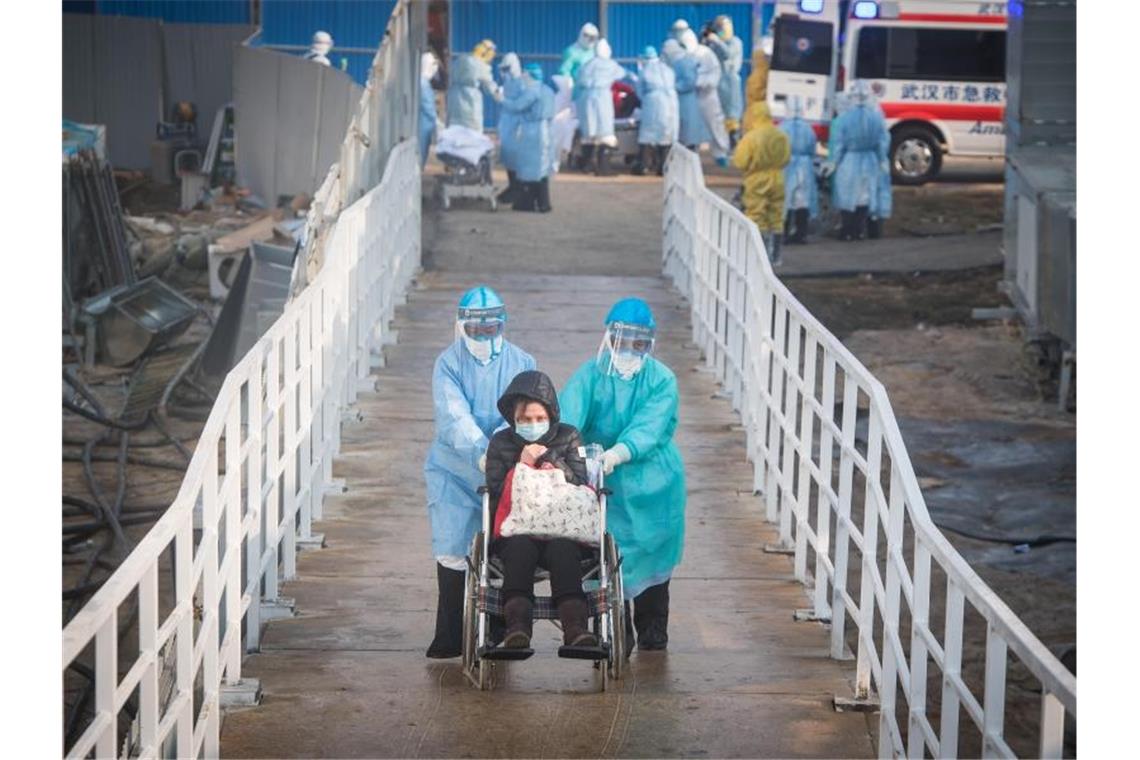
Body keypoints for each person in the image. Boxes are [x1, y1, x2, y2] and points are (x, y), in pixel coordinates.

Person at [559, 298, 686, 651]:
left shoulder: (662, 380)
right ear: (608, 338)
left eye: (639, 342)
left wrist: (619, 452)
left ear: (650, 344)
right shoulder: (591, 375)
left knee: (652, 553)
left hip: (653, 480)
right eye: (621, 340)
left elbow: (651, 426)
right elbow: (568, 415)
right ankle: (615, 627)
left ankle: (652, 626)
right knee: (602, 555)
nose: (629, 349)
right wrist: (569, 451)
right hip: (599, 477)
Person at [424, 286, 536, 658]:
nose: (485, 337)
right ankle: (450, 636)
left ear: (502, 324)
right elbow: (454, 416)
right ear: (462, 327)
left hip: (508, 469)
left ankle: (500, 630)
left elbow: (530, 414)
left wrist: (504, 454)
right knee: (453, 547)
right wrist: (482, 453)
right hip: (455, 470)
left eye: (492, 329)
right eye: (477, 330)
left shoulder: (522, 362)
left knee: (503, 547)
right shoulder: (449, 364)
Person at [484, 370, 597, 652]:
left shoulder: (569, 436)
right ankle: (517, 627)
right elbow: (496, 490)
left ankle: (575, 629)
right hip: (518, 527)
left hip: (563, 526)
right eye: (524, 420)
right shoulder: (501, 442)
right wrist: (521, 464)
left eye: (538, 418)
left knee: (563, 551)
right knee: (520, 549)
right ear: (513, 418)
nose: (532, 424)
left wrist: (550, 459)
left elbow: (581, 484)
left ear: (551, 414)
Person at [829, 80, 890, 241]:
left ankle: (846, 230)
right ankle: (858, 231)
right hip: (870, 160)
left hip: (850, 160)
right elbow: (882, 141)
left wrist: (833, 162)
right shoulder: (876, 118)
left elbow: (838, 144)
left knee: (847, 195)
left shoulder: (845, 118)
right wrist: (882, 160)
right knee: (865, 196)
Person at [733, 101, 791, 265]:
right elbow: (787, 158)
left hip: (756, 179)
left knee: (756, 214)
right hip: (778, 177)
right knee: (776, 214)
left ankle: (760, 255)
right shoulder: (781, 135)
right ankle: (776, 255)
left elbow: (740, 161)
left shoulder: (751, 137)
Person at [500, 62, 555, 212]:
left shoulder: (531, 91)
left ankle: (528, 202)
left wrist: (501, 99)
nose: (522, 76)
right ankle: (543, 202)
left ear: (530, 75)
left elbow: (517, 106)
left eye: (525, 73)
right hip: (546, 130)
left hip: (533, 132)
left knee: (530, 168)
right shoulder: (547, 90)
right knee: (541, 168)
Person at [574, 39, 628, 176]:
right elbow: (622, 74)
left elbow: (578, 79)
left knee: (588, 131)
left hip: (586, 98)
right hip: (602, 98)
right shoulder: (610, 65)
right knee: (605, 132)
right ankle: (604, 167)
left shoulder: (587, 65)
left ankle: (587, 165)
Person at [681, 29, 730, 165]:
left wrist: (704, 83)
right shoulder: (682, 55)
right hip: (690, 96)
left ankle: (721, 153)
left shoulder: (705, 53)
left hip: (707, 96)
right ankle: (691, 154)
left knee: (715, 124)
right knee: (689, 127)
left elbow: (715, 72)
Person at [632, 46, 678, 176]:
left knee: (647, 134)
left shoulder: (645, 71)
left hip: (652, 102)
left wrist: (644, 101)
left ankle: (644, 165)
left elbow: (639, 92)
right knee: (666, 134)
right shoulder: (667, 69)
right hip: (671, 102)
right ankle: (664, 167)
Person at [780, 95, 818, 244]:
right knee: (802, 201)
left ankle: (784, 233)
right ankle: (801, 234)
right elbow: (812, 149)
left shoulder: (782, 127)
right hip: (804, 167)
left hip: (787, 166)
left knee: (786, 200)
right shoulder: (808, 128)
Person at [703, 15, 744, 146]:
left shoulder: (735, 42)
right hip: (719, 81)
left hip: (731, 81)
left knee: (732, 113)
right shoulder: (715, 43)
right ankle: (723, 141)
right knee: (720, 114)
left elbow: (728, 54)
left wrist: (716, 41)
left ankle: (734, 140)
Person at [447, 39, 501, 131]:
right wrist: (499, 95)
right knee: (472, 128)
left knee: (455, 127)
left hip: (454, 96)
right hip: (470, 99)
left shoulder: (461, 58)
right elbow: (489, 86)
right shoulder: (480, 65)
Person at [496, 53, 524, 203]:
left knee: (515, 158)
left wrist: (504, 101)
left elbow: (520, 106)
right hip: (507, 124)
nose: (505, 72)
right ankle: (512, 185)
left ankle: (518, 188)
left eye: (508, 68)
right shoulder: (508, 83)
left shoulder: (521, 83)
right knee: (507, 156)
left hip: (517, 124)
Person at [418, 52, 441, 168]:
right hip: (424, 123)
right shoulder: (423, 83)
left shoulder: (424, 82)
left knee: (424, 148)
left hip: (426, 123)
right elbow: (427, 106)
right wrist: (436, 121)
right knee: (421, 150)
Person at [742, 47, 770, 131]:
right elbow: (757, 94)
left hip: (754, 113)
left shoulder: (759, 74)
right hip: (757, 113)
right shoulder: (760, 75)